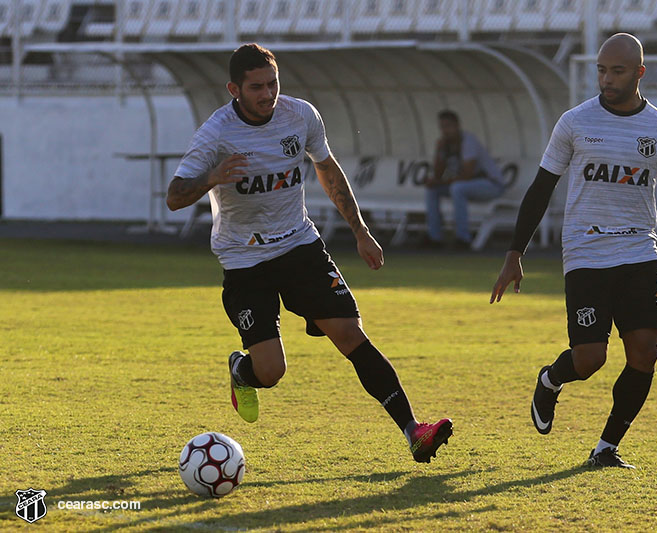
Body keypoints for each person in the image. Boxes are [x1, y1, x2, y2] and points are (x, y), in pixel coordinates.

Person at [166, 44, 452, 463]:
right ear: (234, 89)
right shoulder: (216, 134)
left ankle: (413, 430)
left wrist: (361, 231)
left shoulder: (300, 116)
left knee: (351, 335)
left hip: (300, 246)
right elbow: (174, 197)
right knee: (271, 372)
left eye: (273, 83)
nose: (268, 94)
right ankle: (242, 371)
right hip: (245, 261)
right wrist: (212, 176)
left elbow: (327, 168)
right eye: (257, 87)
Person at [490, 33, 657, 469]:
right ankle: (551, 378)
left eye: (618, 71)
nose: (607, 79)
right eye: (601, 70)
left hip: (639, 250)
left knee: (645, 350)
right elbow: (541, 189)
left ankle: (606, 447)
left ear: (640, 73)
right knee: (590, 359)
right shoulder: (575, 122)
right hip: (586, 251)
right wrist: (515, 252)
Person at [423, 110, 505, 249]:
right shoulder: (445, 145)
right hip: (468, 186)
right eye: (442, 127)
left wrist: (440, 181)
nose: (445, 131)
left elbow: (467, 174)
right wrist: (439, 152)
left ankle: (463, 238)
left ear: (457, 125)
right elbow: (438, 174)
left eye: (448, 126)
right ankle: (434, 237)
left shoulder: (468, 141)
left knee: (457, 188)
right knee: (433, 190)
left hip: (491, 185)